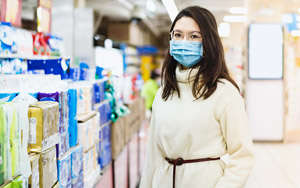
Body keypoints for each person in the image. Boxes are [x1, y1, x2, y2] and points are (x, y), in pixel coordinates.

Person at [139, 6, 254, 188]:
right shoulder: (164, 93)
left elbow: (243, 155)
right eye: (177, 35)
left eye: (194, 36)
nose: (184, 42)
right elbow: (153, 155)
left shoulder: (224, 92)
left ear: (208, 42)